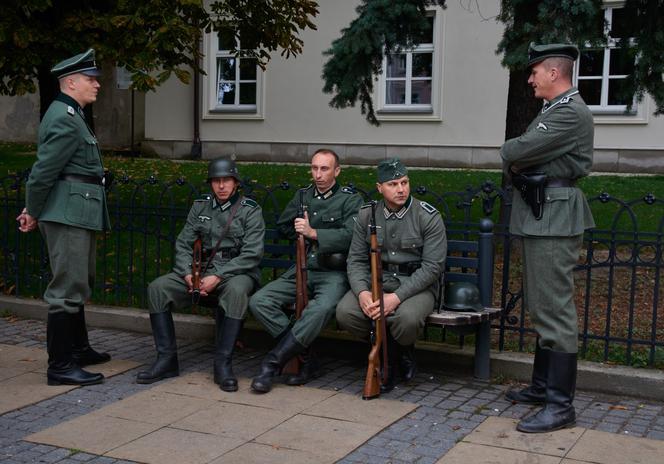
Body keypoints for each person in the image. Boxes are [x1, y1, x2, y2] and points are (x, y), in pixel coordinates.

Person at [501, 43, 595, 433]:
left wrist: (519, 155)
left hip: (555, 217)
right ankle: (542, 388)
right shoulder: (553, 110)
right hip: (544, 214)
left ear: (554, 72)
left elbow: (514, 149)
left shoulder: (569, 112)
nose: (530, 78)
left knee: (554, 309)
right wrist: (521, 156)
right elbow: (520, 154)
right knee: (542, 304)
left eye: (534, 71)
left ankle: (560, 406)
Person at [17, 49, 111, 386]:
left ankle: (79, 349)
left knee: (78, 279)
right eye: (90, 79)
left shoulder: (71, 114)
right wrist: (33, 210)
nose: (97, 84)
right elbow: (43, 172)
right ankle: (60, 366)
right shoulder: (62, 116)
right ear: (71, 82)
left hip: (76, 210)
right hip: (67, 213)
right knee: (66, 286)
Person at [136, 158, 265, 392]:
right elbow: (184, 243)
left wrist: (218, 277)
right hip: (200, 270)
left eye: (226, 180)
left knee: (235, 292)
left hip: (237, 272)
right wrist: (187, 274)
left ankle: (222, 365)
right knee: (158, 288)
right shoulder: (201, 207)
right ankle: (166, 360)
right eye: (216, 181)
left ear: (235, 182)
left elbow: (252, 254)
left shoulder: (250, 211)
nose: (222, 186)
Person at [249, 148, 363, 393]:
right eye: (314, 168)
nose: (318, 174)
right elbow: (283, 226)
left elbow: (354, 234)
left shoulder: (349, 199)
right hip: (303, 267)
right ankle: (306, 356)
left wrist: (314, 233)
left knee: (320, 308)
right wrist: (298, 230)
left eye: (324, 169)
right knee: (260, 301)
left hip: (333, 273)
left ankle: (272, 363)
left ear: (337, 171)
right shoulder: (303, 196)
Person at [336, 158, 447, 392]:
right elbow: (355, 260)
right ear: (380, 188)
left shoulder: (427, 216)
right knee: (346, 312)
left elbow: (432, 268)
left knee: (405, 319)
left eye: (404, 182)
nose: (401, 189)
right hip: (377, 281)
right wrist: (362, 292)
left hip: (416, 285)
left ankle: (396, 356)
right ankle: (394, 353)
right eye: (393, 184)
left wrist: (396, 298)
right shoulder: (367, 215)